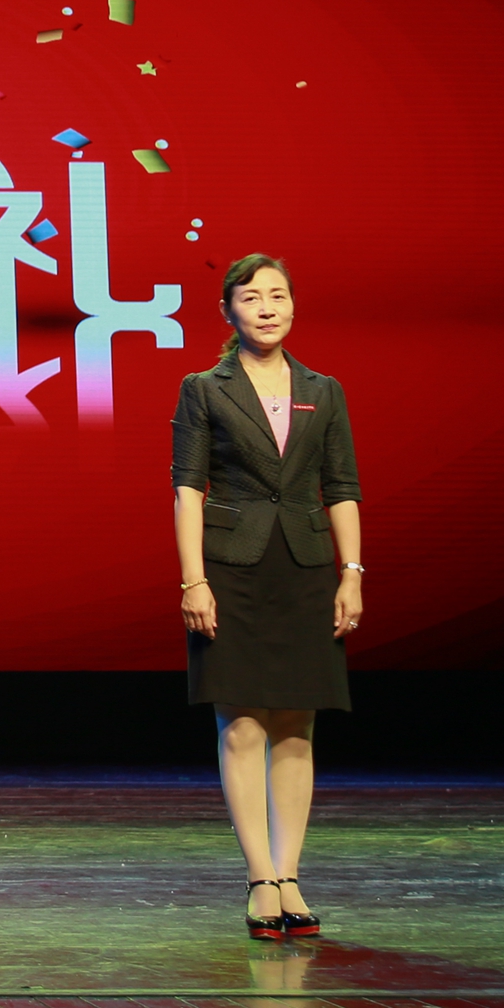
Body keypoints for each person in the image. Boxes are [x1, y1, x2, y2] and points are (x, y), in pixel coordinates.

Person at [173, 253, 363, 941]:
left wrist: (352, 571)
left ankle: (290, 874)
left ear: (293, 305)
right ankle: (259, 877)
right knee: (243, 724)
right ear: (228, 311)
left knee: (296, 725)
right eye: (251, 297)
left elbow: (341, 487)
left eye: (278, 295)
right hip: (231, 568)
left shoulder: (324, 389)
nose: (267, 307)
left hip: (305, 567)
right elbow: (187, 488)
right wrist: (193, 579)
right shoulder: (205, 388)